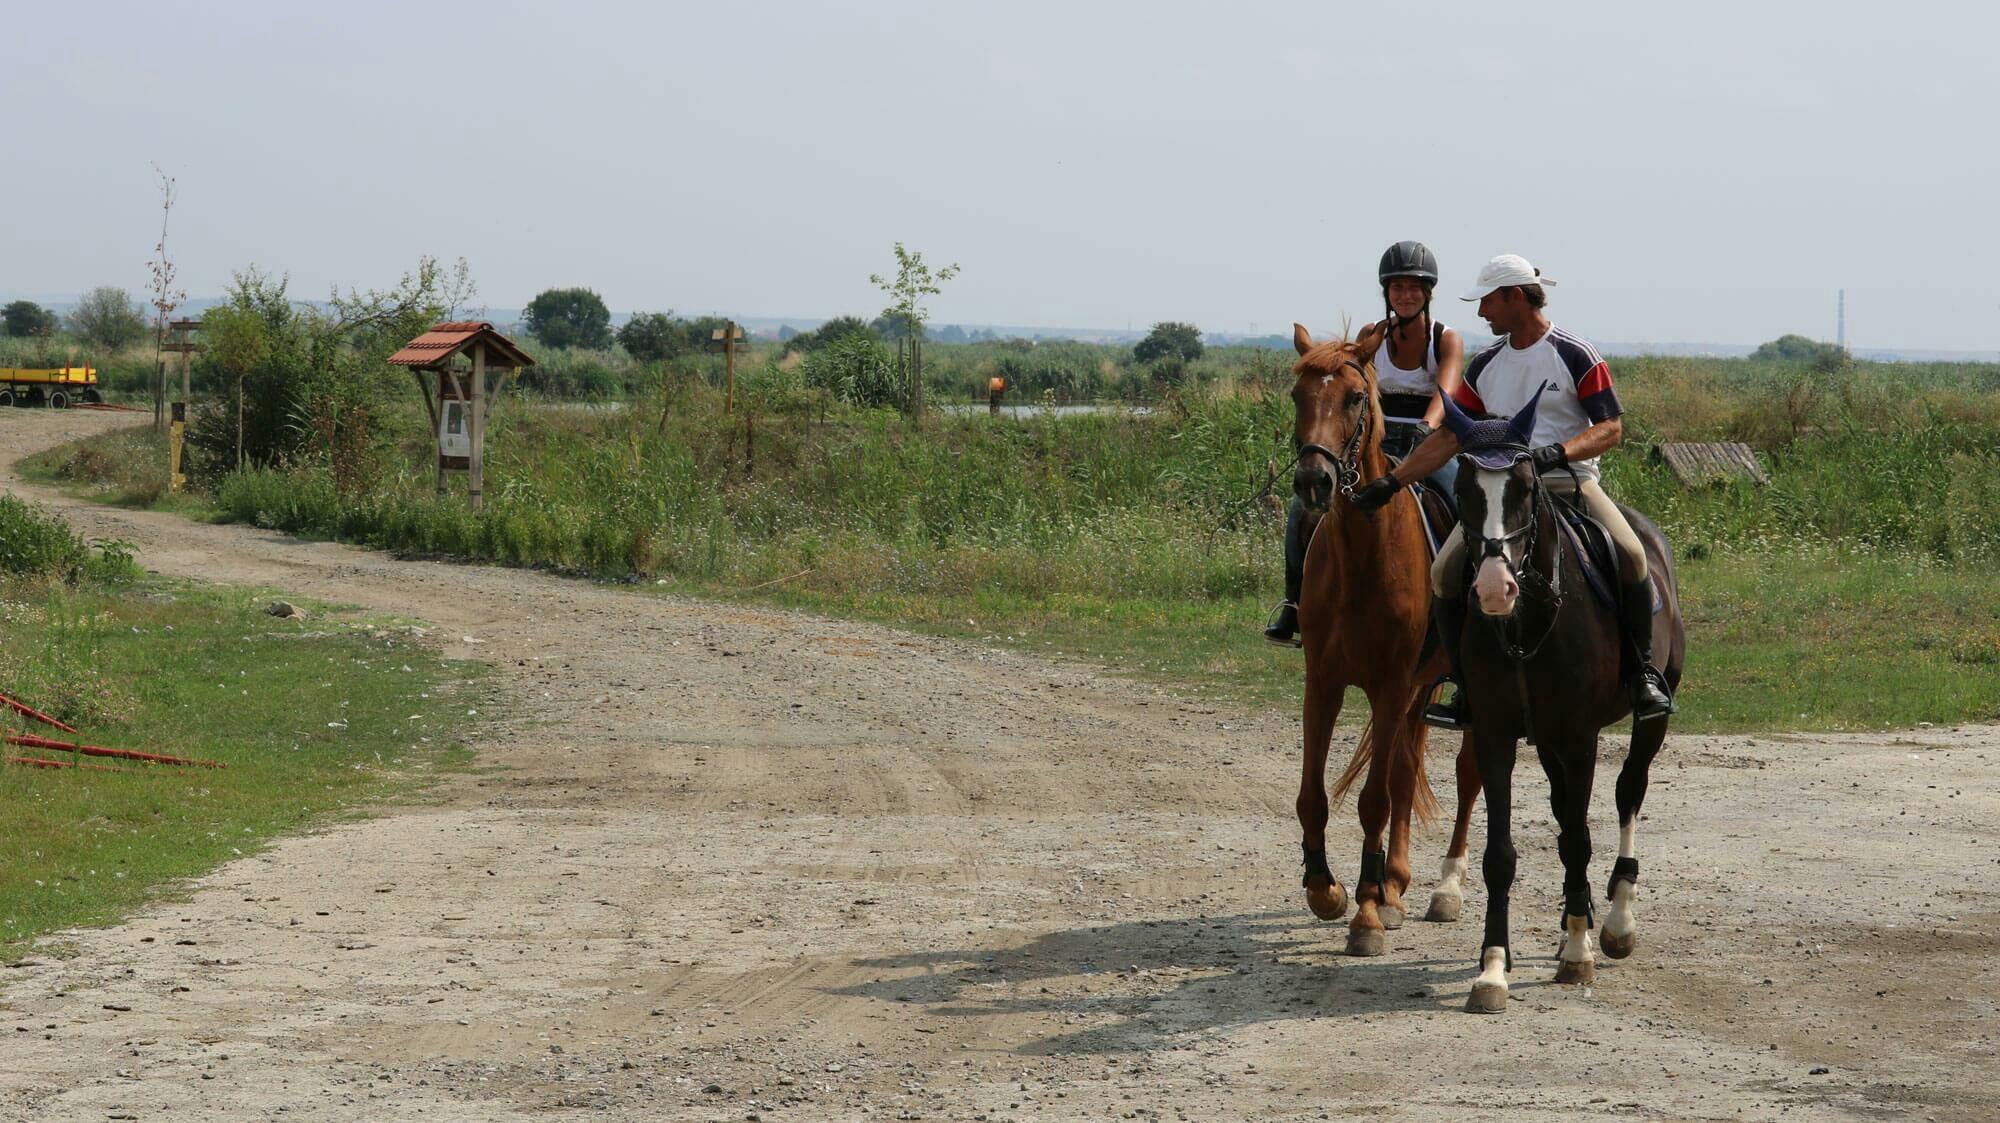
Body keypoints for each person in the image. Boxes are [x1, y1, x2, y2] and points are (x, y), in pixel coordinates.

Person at [1350, 253, 1675, 724]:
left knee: (1632, 554)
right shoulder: (1485, 366)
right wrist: (1391, 483)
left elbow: (1611, 428)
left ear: (1515, 297)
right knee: (1444, 572)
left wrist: (1560, 452)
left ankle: (1643, 673)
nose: (1482, 313)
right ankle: (1463, 685)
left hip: (1570, 485)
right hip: (1503, 494)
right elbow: (1449, 437)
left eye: (1488, 302)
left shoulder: (1575, 353)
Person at [1263, 240, 1466, 647]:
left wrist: (1425, 427)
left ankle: (1463, 611)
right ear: (1386, 292)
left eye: (1414, 288)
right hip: (1372, 435)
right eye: (1397, 288)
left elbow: (1447, 392)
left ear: (1428, 292)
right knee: (1303, 505)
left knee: (1462, 502)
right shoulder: (1369, 337)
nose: (1405, 295)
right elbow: (1353, 388)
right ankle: (1294, 604)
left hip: (1427, 439)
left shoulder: (1446, 339)